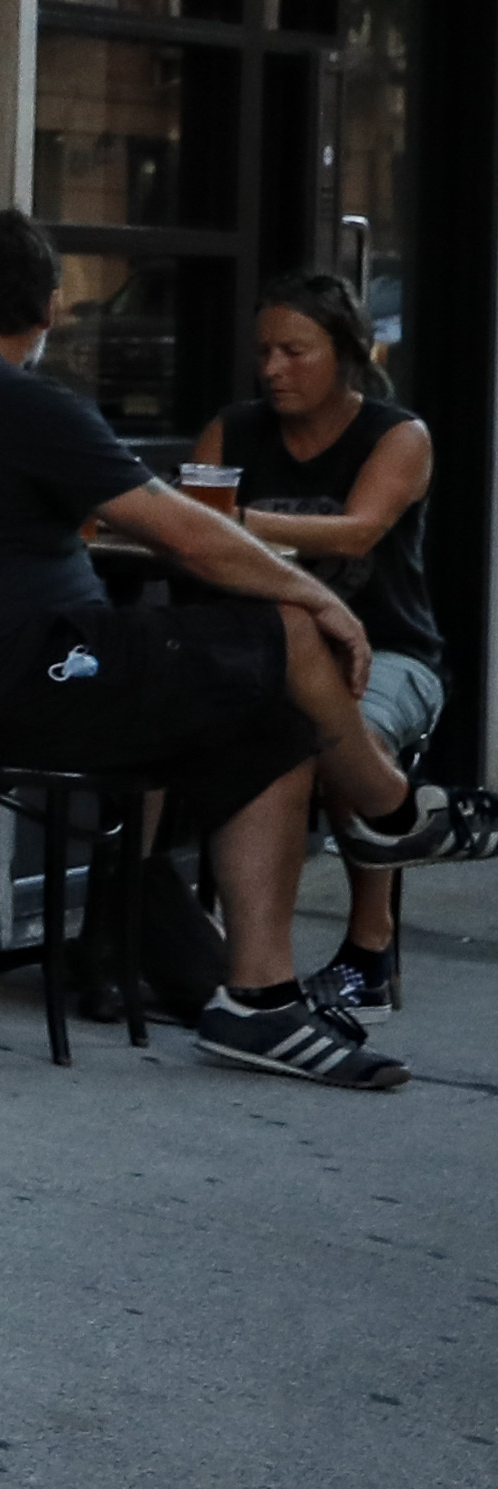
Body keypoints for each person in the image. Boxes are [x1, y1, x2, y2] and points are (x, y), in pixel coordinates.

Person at [0, 212, 445, 1091]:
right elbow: (181, 532)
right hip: (32, 679)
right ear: (44, 306)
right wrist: (313, 593)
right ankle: (389, 810)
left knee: (265, 711)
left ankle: (255, 999)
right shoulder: (18, 402)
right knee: (284, 633)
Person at [193, 271, 450, 1010]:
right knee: (167, 710)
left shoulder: (397, 434)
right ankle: (177, 928)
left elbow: (358, 529)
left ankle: (369, 949)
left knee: (343, 732)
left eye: (293, 351)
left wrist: (228, 523)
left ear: (343, 352)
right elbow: (187, 523)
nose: (272, 368)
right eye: (263, 351)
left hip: (387, 648)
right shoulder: (234, 429)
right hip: (253, 646)